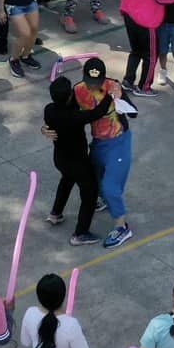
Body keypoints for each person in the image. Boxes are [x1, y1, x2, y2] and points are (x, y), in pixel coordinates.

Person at [77, 58, 138, 247]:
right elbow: (68, 115)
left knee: (111, 187)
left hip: (118, 142)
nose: (93, 87)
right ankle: (103, 199)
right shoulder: (78, 91)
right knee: (94, 178)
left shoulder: (114, 87)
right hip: (97, 143)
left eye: (97, 83)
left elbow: (134, 113)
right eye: (90, 83)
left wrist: (121, 97)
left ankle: (122, 227)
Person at [43, 75, 111, 245]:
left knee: (66, 180)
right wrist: (109, 95)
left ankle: (55, 213)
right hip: (77, 162)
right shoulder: (74, 117)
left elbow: (53, 117)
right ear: (69, 97)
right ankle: (80, 233)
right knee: (90, 193)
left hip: (60, 159)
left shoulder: (49, 110)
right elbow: (98, 112)